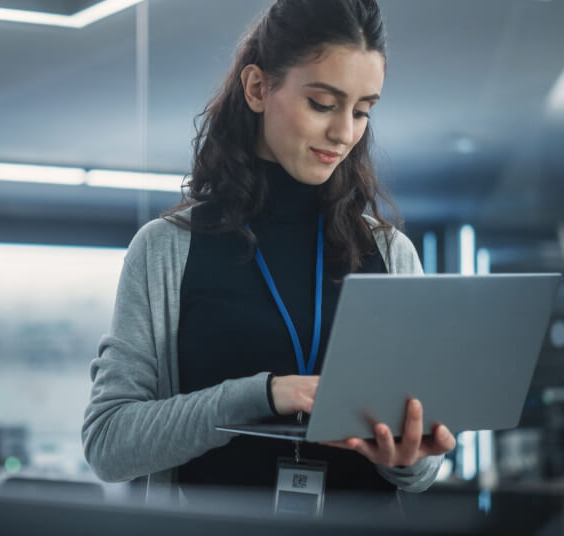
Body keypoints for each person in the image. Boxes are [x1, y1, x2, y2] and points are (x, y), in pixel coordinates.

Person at [82, 0, 456, 511]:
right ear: (258, 88)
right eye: (323, 103)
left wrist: (408, 456)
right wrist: (265, 395)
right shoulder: (167, 249)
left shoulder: (391, 253)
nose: (344, 132)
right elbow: (109, 444)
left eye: (363, 110)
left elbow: (422, 472)